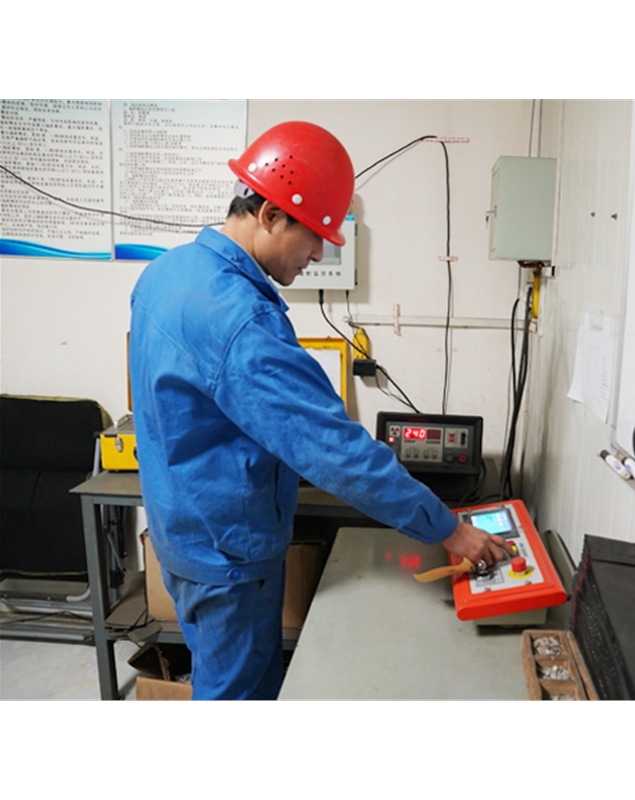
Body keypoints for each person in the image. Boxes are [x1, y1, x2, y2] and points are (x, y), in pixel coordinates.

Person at [128, 121, 513, 700]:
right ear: (270, 215)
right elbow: (334, 450)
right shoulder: (242, 322)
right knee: (238, 697)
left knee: (229, 677)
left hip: (183, 532)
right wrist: (450, 529)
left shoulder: (167, 272)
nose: (318, 254)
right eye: (314, 237)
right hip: (228, 554)